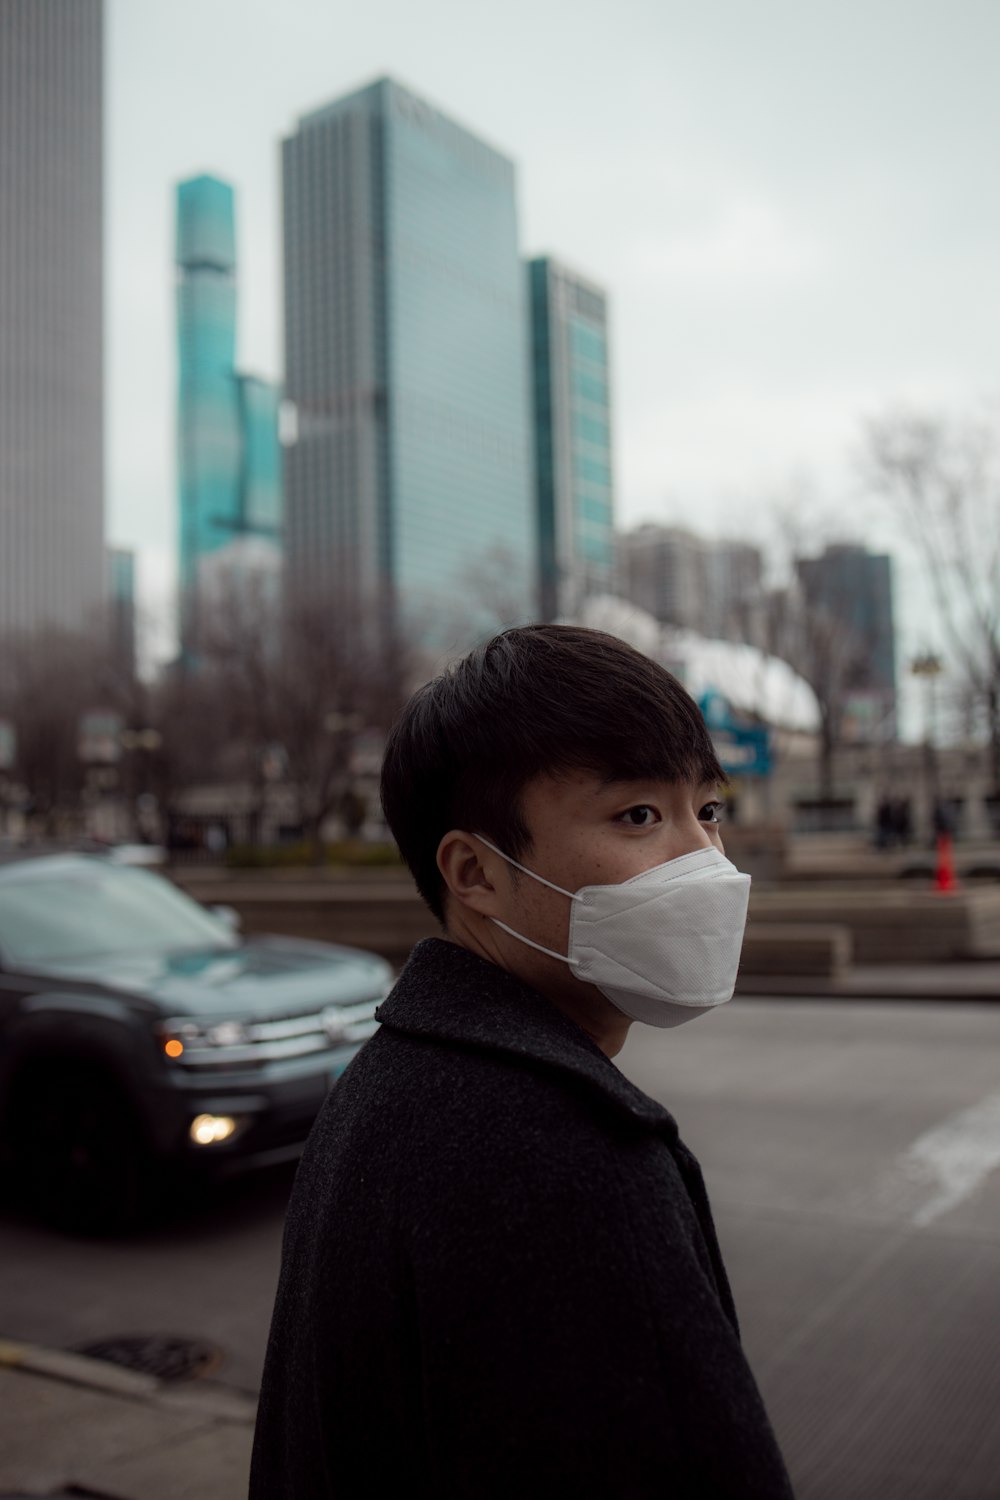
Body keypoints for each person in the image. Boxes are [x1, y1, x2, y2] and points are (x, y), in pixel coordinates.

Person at [250, 625, 794, 1499]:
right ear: (475, 873)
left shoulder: (393, 1084)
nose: (706, 863)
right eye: (639, 815)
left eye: (709, 810)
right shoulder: (564, 1159)